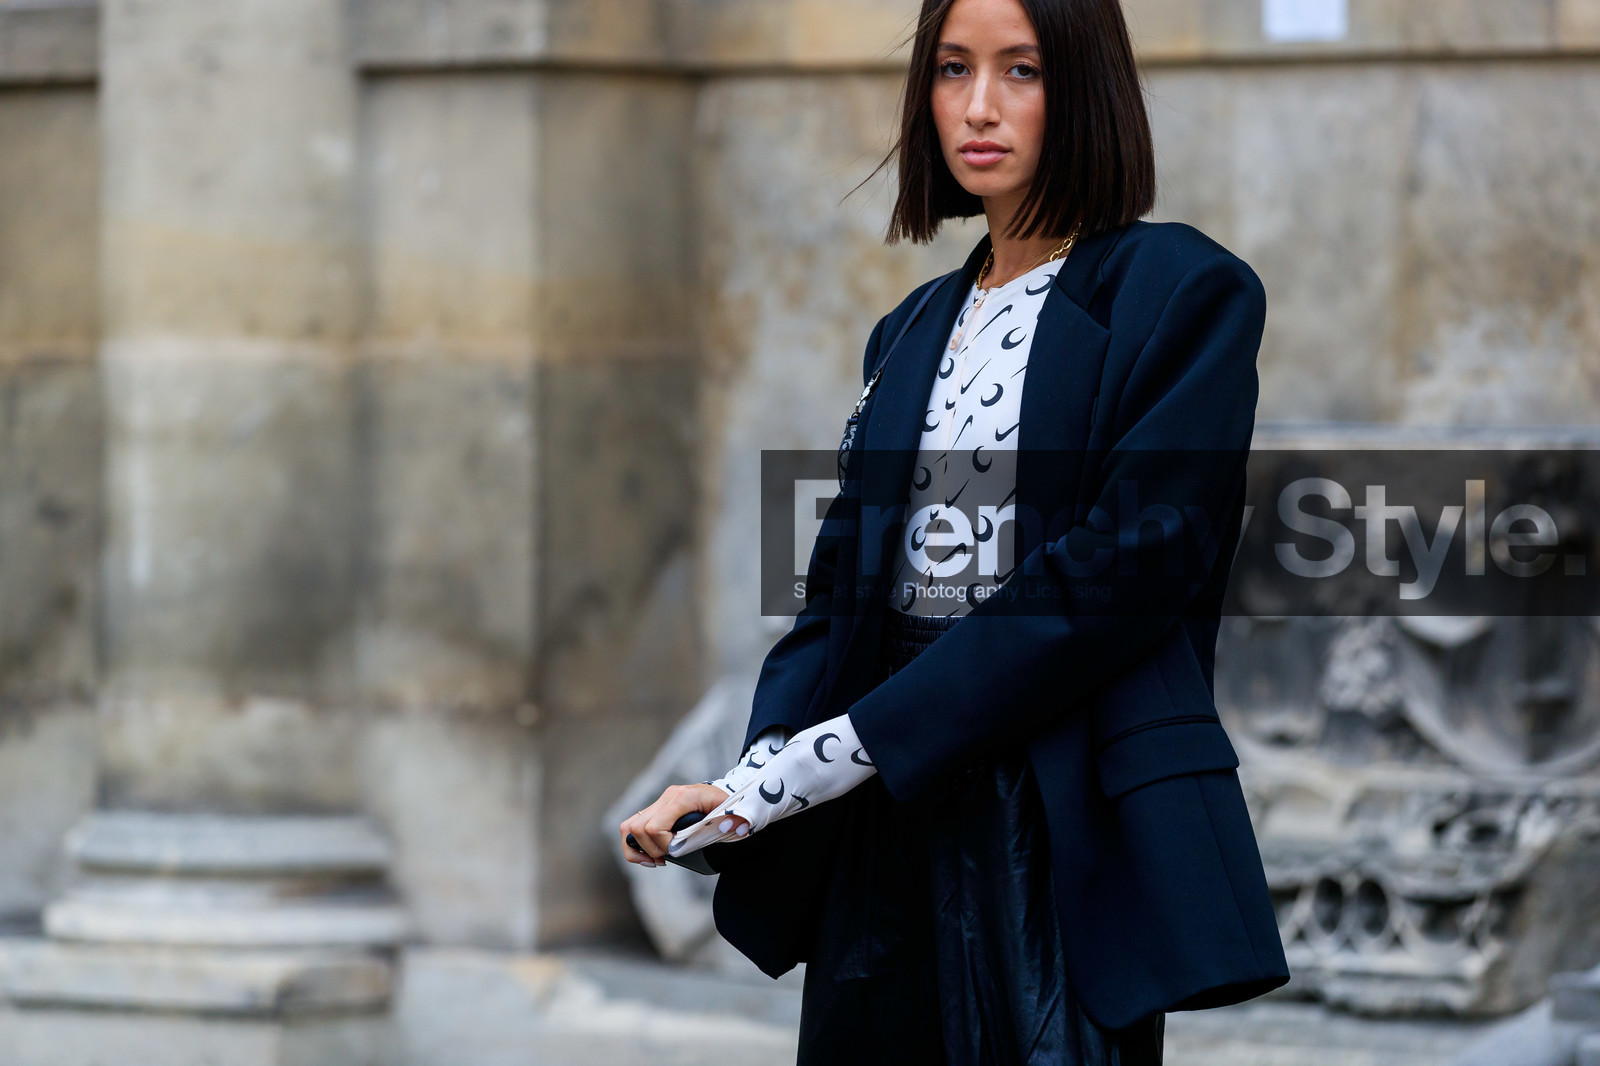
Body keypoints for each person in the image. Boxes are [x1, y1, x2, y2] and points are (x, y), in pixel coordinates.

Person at [619, 0, 1291, 1061]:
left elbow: (1117, 575)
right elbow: (841, 587)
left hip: (1050, 798)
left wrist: (836, 753)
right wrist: (751, 776)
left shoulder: (1183, 293)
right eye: (950, 68)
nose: (977, 107)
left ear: (1085, 85)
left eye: (1020, 70)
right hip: (884, 809)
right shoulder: (911, 327)